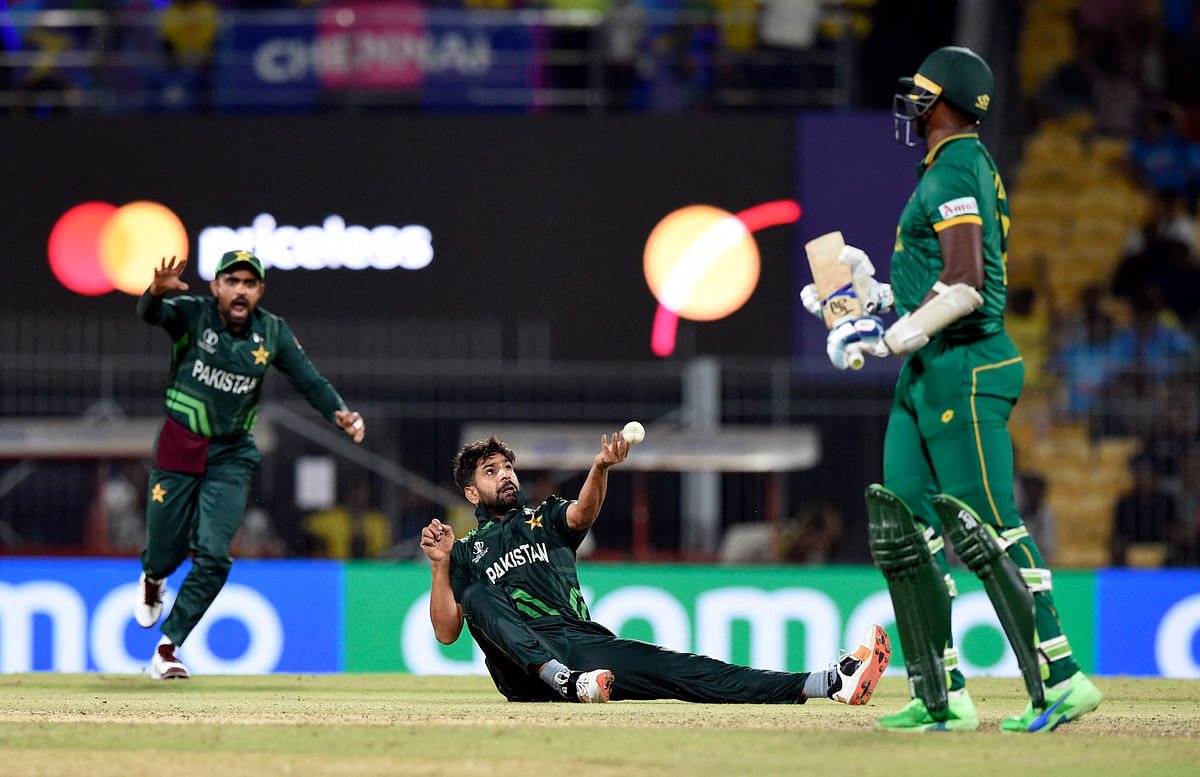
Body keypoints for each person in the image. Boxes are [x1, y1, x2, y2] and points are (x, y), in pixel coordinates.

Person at [802, 46, 1102, 732]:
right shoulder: (942, 171)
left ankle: (1062, 678)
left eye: (922, 93)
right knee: (906, 533)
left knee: (991, 529)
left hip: (965, 366)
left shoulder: (959, 168)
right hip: (928, 370)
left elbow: (966, 283)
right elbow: (934, 281)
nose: (912, 102)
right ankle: (943, 691)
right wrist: (867, 295)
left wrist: (888, 336)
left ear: (943, 103)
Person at [420, 434, 891, 705]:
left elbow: (582, 515)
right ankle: (561, 679)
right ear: (472, 493)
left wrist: (601, 467)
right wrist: (441, 566)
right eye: (490, 471)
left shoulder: (541, 518)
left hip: (582, 645)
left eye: (507, 466)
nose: (505, 475)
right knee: (479, 595)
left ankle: (829, 683)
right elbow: (446, 632)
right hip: (523, 671)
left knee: (688, 670)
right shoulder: (466, 551)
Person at [133, 253, 366, 679]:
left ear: (260, 292)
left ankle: (168, 648)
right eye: (232, 281)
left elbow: (307, 379)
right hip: (179, 444)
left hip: (231, 453)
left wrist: (340, 412)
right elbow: (150, 314)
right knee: (165, 551)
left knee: (215, 554)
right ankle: (153, 576)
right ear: (217, 286)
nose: (241, 289)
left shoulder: (271, 330)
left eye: (250, 283)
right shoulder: (193, 314)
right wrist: (154, 292)